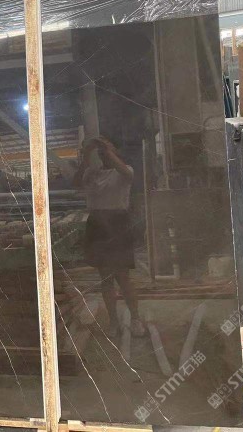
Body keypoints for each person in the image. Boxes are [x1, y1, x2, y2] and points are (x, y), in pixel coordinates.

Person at [73, 137, 144, 338]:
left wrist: (106, 149)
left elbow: (125, 172)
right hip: (97, 225)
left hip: (117, 224)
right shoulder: (91, 173)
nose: (103, 153)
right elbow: (76, 182)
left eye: (108, 147)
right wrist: (87, 155)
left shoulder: (124, 171)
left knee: (123, 276)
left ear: (114, 151)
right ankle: (114, 322)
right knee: (105, 278)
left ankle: (135, 319)